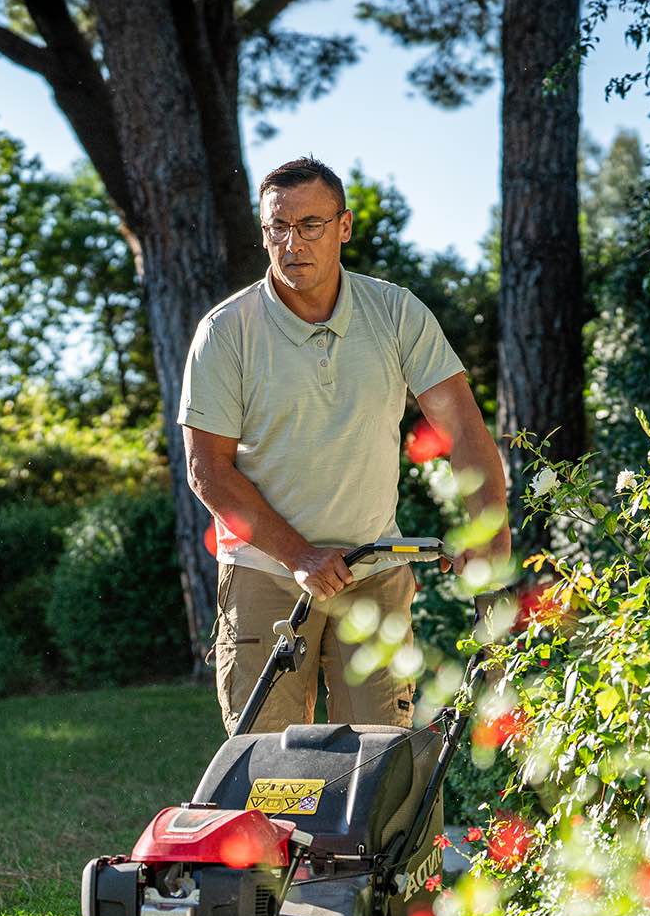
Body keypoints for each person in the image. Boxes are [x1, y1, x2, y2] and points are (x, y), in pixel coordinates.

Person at [179, 156, 512, 733]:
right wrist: (299, 555)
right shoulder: (227, 331)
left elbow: (465, 432)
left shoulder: (395, 312)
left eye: (310, 225)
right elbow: (207, 470)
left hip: (374, 571)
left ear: (345, 226)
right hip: (265, 573)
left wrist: (491, 536)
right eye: (277, 228)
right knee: (266, 768)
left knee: (386, 765)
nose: (292, 243)